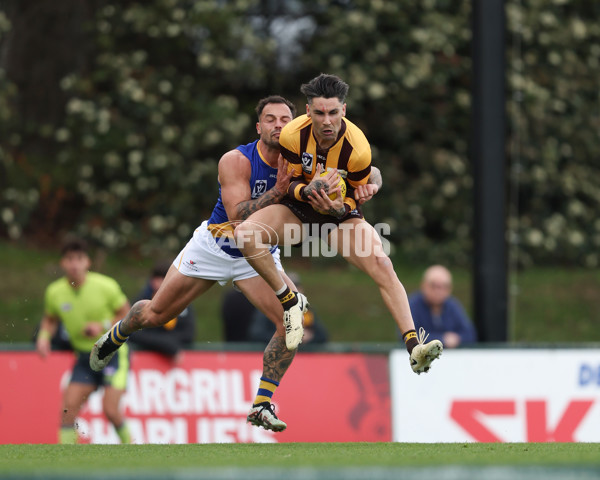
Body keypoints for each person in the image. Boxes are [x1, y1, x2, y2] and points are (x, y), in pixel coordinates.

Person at [89, 95, 377, 433]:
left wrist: (369, 185)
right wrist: (280, 190)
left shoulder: (306, 158)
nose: (279, 125)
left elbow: (362, 169)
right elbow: (238, 215)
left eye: (286, 119)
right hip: (215, 246)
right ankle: (117, 334)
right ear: (258, 127)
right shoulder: (236, 160)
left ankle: (262, 404)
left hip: (255, 256)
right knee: (156, 314)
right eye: (270, 119)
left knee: (292, 323)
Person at [234, 73, 443, 374]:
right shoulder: (293, 134)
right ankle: (291, 302)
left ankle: (414, 347)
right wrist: (306, 191)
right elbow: (288, 182)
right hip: (299, 207)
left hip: (337, 216)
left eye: (333, 112)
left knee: (382, 264)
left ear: (343, 110)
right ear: (308, 112)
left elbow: (357, 196)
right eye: (319, 113)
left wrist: (337, 207)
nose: (326, 121)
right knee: (244, 234)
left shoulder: (358, 149)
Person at [35, 236, 131, 444]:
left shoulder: (106, 286)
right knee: (67, 411)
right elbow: (50, 319)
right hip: (84, 358)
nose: (74, 264)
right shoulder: (55, 292)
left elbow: (129, 315)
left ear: (87, 262)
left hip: (112, 353)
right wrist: (44, 337)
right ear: (62, 263)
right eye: (69, 259)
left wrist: (103, 325)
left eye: (79, 258)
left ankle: (133, 448)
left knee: (111, 410)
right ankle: (66, 463)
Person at [128, 260, 196, 363]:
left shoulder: (182, 303)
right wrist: (166, 344)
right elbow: (133, 332)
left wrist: (168, 342)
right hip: (145, 359)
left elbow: (188, 333)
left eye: (164, 279)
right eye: (157, 278)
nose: (159, 283)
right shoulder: (142, 302)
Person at [404, 265, 477, 348]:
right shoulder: (412, 305)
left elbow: (470, 334)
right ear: (423, 285)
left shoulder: (453, 305)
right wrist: (442, 339)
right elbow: (406, 335)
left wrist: (457, 339)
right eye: (433, 286)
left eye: (444, 286)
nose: (438, 291)